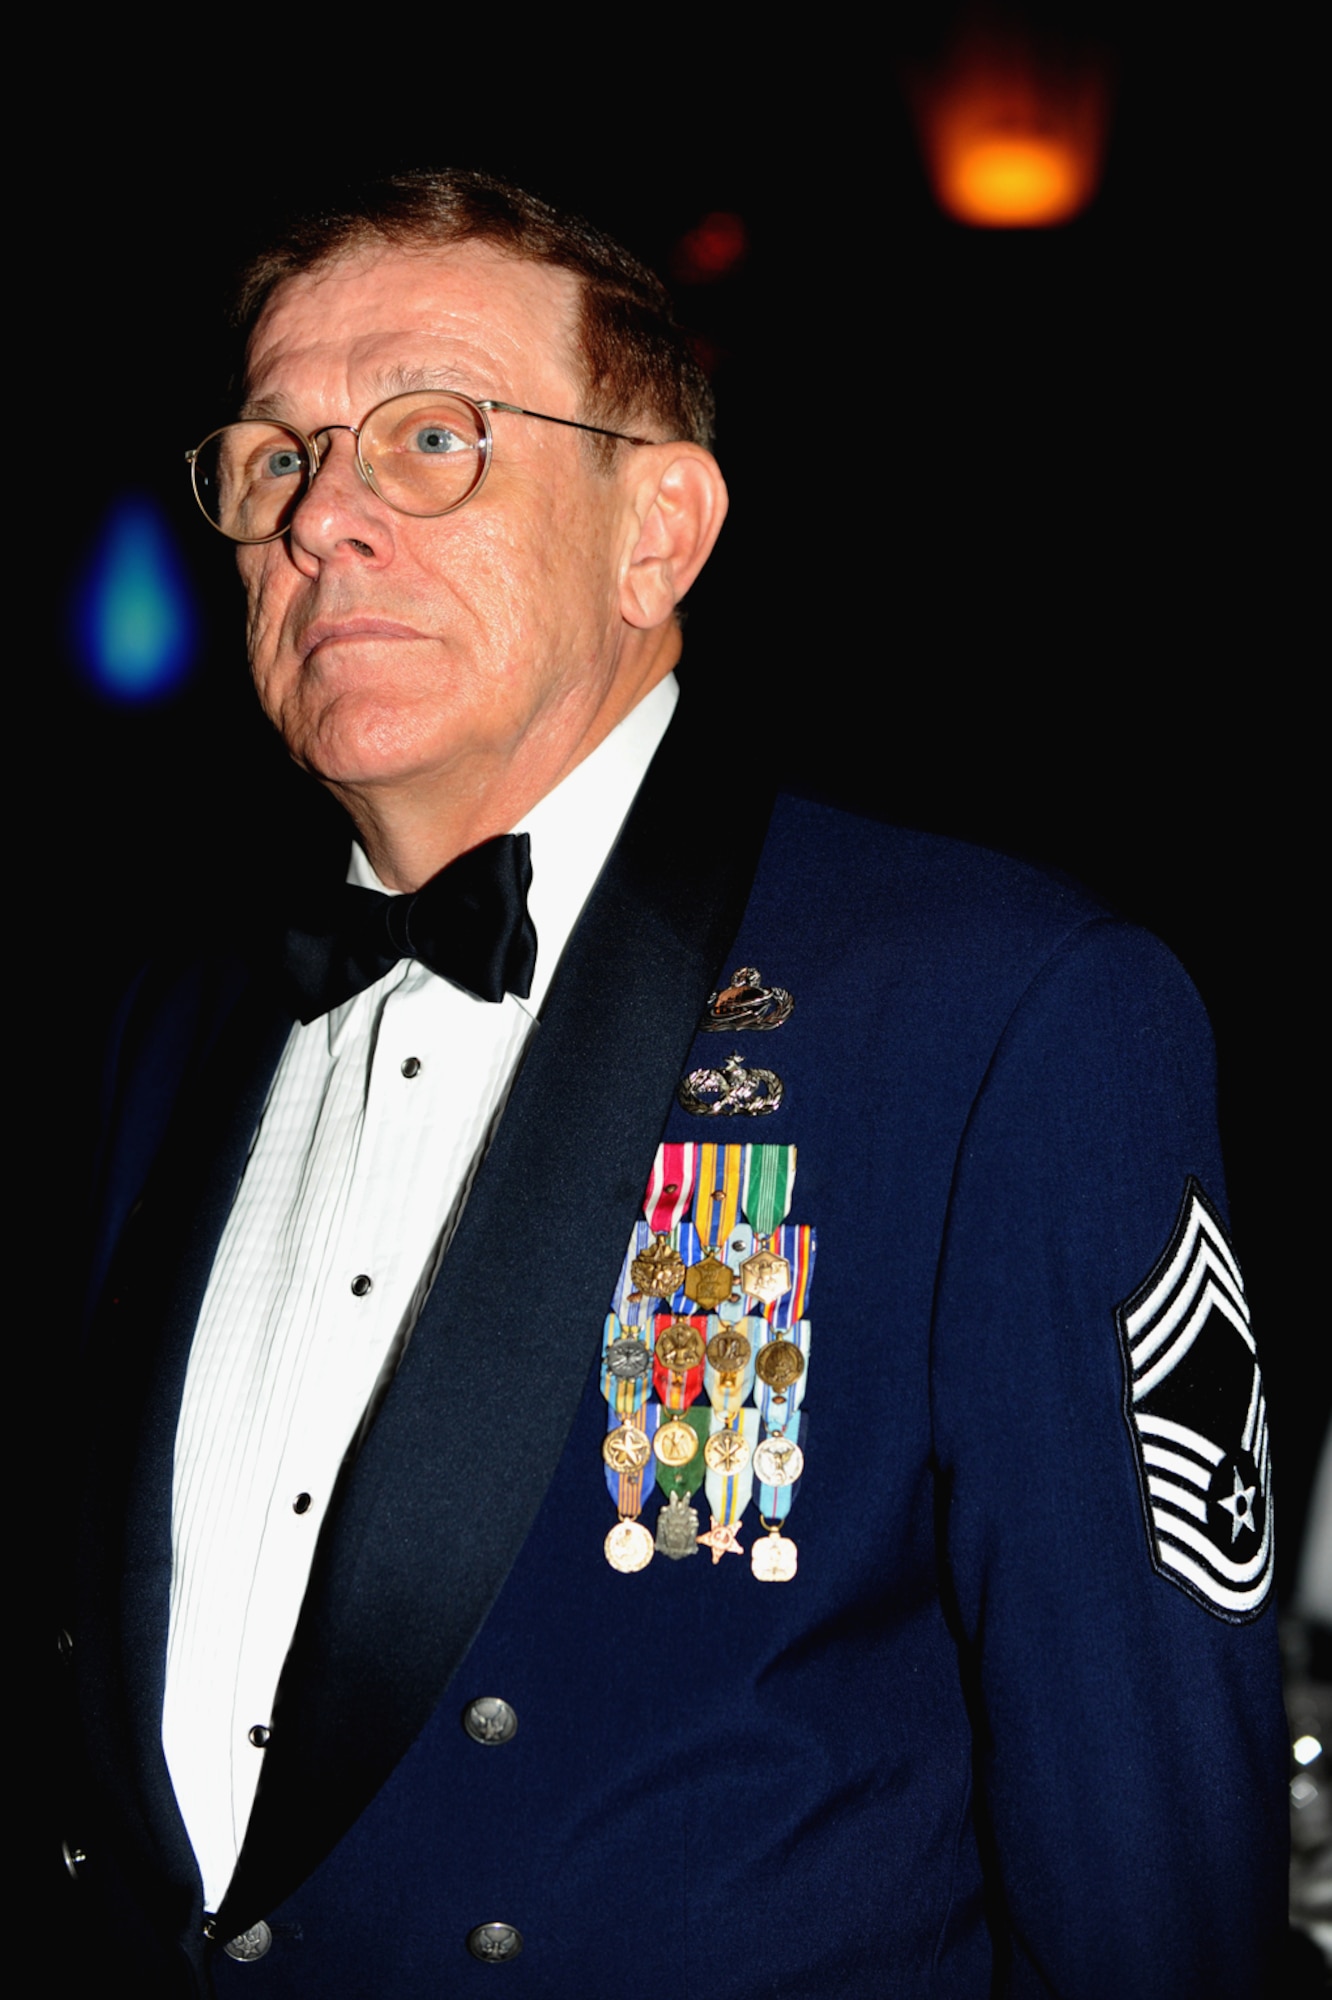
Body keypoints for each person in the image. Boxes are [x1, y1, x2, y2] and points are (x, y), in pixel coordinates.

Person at [63, 171, 1287, 1997]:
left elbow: (1148, 1872)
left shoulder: (996, 1006)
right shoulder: (167, 1023)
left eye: (428, 438)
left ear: (660, 532)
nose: (324, 519)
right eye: (274, 457)